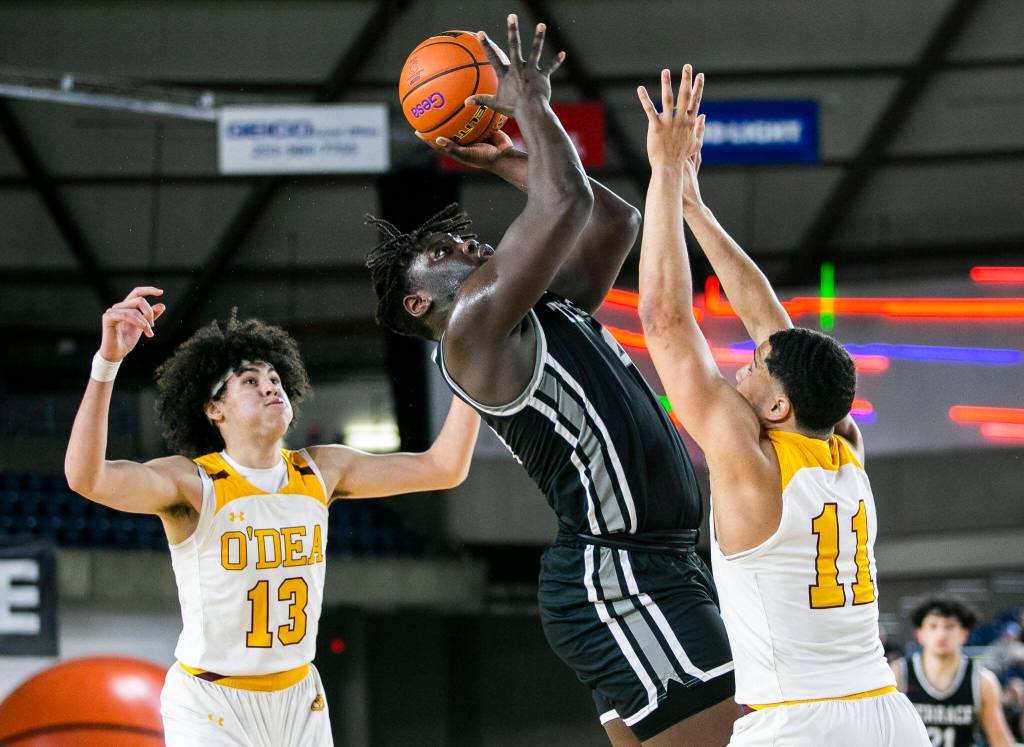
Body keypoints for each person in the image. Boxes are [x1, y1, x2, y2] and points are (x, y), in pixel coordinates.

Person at [365, 15, 736, 747]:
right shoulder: (470, 335)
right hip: (621, 576)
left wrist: (507, 159)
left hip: (649, 567)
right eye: (442, 249)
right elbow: (562, 202)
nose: (465, 241)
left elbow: (612, 223)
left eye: (460, 235)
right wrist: (528, 96)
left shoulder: (537, 308)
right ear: (419, 303)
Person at [633, 65, 928, 746]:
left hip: (801, 724)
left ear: (776, 406)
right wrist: (696, 212)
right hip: (888, 717)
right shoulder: (843, 448)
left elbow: (666, 323)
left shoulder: (752, 465)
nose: (742, 364)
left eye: (753, 369)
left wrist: (666, 174)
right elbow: (777, 330)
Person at [64, 288, 480, 746]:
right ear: (213, 409)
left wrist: (478, 364)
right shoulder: (194, 485)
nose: (270, 385)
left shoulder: (321, 470)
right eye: (248, 380)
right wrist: (107, 363)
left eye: (275, 378)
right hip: (211, 702)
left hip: (299, 697)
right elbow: (87, 478)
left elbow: (445, 467)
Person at [894, 598, 1017, 747]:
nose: (941, 634)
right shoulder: (898, 674)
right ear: (920, 634)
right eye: (933, 626)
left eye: (949, 626)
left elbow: (1000, 741)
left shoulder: (982, 681)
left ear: (964, 634)